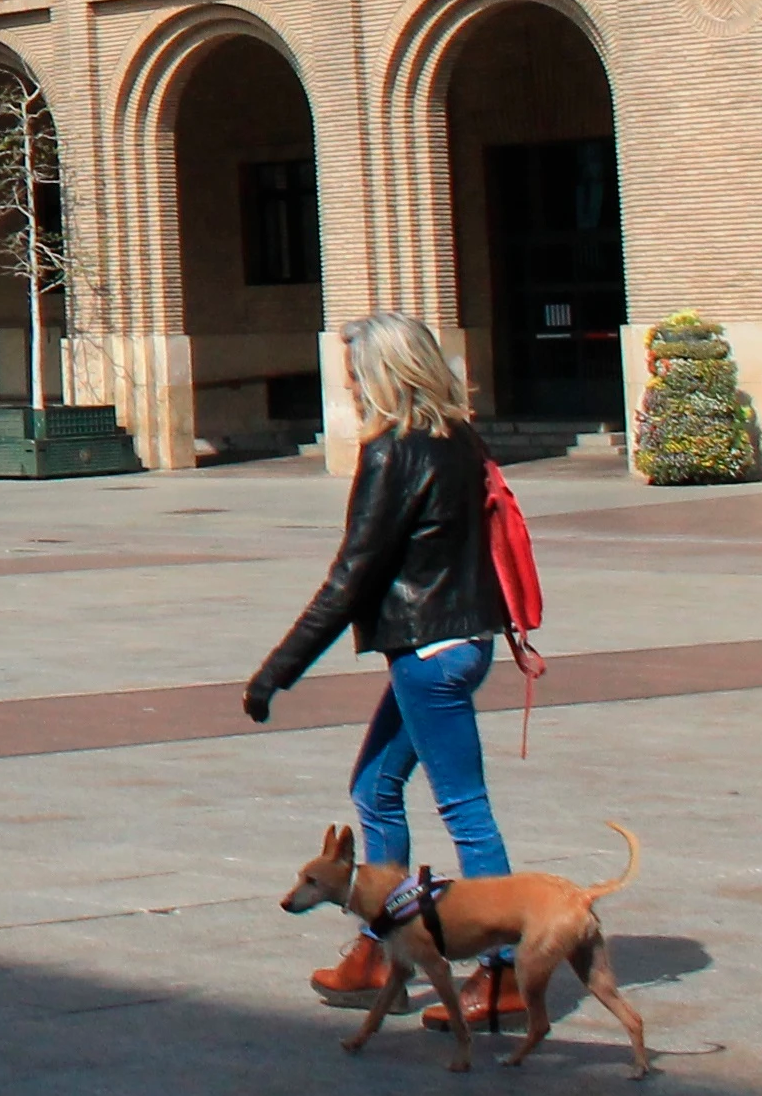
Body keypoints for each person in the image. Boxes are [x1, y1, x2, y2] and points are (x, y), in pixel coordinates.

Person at [244, 312, 528, 1034]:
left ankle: (503, 975)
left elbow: (352, 578)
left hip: (429, 651)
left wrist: (277, 670)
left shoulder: (393, 453)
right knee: (374, 786)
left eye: (354, 374)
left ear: (384, 376)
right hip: (462, 641)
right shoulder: (459, 438)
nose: (349, 387)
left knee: (464, 807)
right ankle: (380, 949)